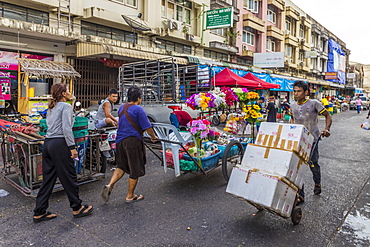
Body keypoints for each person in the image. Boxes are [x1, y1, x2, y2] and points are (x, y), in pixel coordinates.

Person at [33, 83, 93, 223]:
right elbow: (67, 128)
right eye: (68, 90)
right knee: (69, 176)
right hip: (60, 144)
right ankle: (77, 207)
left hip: (49, 143)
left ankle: (39, 211)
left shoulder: (51, 108)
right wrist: (72, 147)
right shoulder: (65, 106)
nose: (70, 92)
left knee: (48, 179)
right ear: (64, 93)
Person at [101, 86, 158, 203]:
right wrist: (153, 137)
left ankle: (110, 185)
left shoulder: (122, 107)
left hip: (120, 141)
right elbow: (147, 127)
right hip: (132, 142)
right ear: (139, 98)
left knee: (121, 166)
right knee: (135, 168)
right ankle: (130, 195)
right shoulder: (138, 109)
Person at [290, 81, 332, 204]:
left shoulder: (314, 104)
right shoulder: (292, 106)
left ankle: (317, 182)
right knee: (298, 167)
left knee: (313, 164)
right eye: (295, 91)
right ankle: (300, 195)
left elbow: (328, 115)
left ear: (306, 92)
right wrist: (291, 128)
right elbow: (292, 118)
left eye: (299, 91)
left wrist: (326, 129)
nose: (296, 94)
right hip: (298, 140)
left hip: (312, 139)